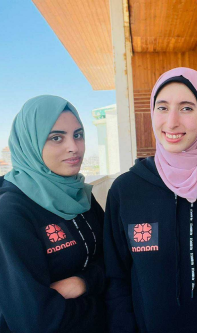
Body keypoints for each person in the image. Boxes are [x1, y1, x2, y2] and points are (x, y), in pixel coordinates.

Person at [104, 67, 197, 333]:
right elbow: (116, 278)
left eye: (186, 108)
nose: (171, 122)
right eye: (162, 108)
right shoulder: (125, 191)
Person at [0, 95, 106, 333]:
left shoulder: (81, 196)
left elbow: (115, 258)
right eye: (56, 137)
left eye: (78, 134)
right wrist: (105, 304)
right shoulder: (11, 213)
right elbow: (37, 321)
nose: (74, 147)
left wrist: (83, 283)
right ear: (30, 143)